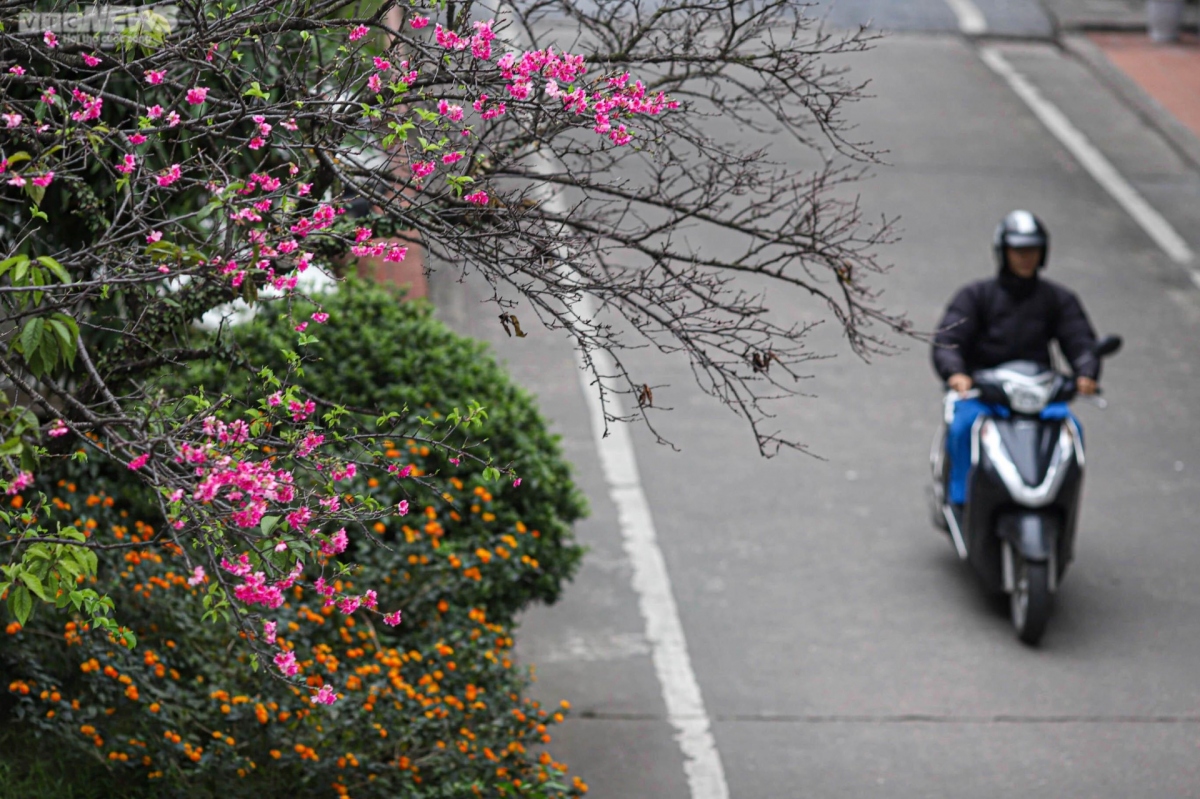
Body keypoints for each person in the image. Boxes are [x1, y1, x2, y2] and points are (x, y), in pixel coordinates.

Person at [932, 210, 1100, 507]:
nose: (1026, 258)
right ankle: (959, 500)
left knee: (1073, 433)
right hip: (985, 393)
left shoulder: (1058, 299)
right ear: (1004, 252)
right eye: (1019, 251)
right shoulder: (976, 296)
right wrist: (956, 373)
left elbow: (1079, 339)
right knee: (962, 430)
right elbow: (948, 340)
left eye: (1032, 250)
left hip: (1039, 397)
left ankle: (1063, 501)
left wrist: (1086, 372)